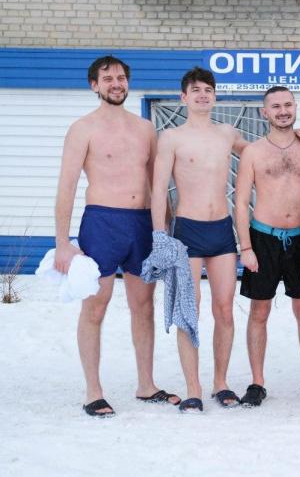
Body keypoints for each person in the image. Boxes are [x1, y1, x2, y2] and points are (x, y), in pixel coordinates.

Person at [54, 56, 179, 417]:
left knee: (143, 306)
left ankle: (146, 384)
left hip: (142, 225)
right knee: (96, 305)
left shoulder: (145, 128)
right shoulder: (83, 129)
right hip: (102, 224)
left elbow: (158, 185)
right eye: (107, 78)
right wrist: (62, 242)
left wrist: (165, 232)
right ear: (94, 85)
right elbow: (66, 187)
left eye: (121, 78)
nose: (116, 84)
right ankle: (93, 391)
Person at [150, 67, 249, 412]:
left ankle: (221, 382)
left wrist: (296, 136)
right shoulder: (171, 137)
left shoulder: (227, 133)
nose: (203, 95)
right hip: (187, 232)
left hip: (221, 229)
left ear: (215, 96)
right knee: (188, 311)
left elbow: (262, 153)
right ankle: (193, 388)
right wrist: (159, 236)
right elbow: (158, 190)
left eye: (208, 89)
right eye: (195, 90)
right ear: (184, 97)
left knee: (225, 310)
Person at [234, 86, 300, 406]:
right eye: (275, 106)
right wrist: (245, 247)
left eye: (287, 105)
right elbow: (240, 203)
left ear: (296, 107)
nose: (282, 111)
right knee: (259, 311)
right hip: (263, 238)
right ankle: (257, 383)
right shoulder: (253, 152)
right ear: (264, 112)